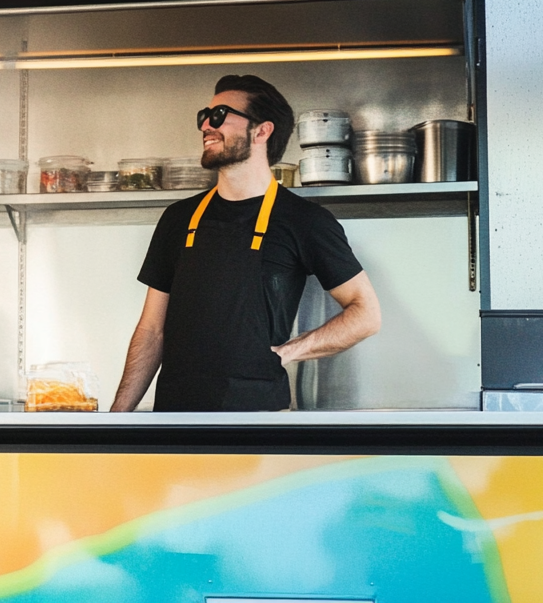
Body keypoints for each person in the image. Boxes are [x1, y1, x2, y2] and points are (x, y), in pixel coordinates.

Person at [110, 75, 381, 412]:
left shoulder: (304, 220)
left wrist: (288, 352)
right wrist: (118, 419)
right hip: (175, 423)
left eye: (220, 114)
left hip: (258, 426)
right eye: (204, 116)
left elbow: (366, 313)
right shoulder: (178, 219)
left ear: (261, 131)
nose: (207, 125)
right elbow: (151, 331)